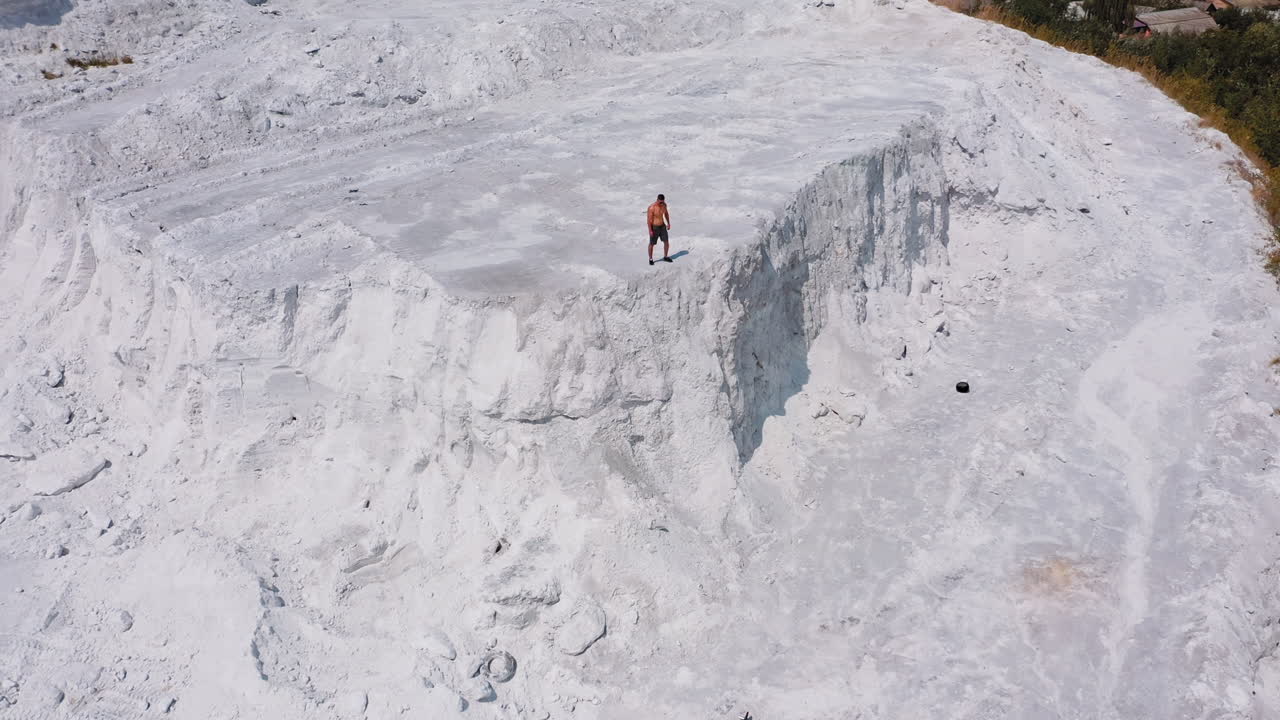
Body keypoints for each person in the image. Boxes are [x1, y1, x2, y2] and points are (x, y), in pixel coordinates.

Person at [646, 193, 672, 265]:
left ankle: (665, 256)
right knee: (652, 244)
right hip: (654, 227)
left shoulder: (664, 205)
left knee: (666, 242)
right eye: (660, 202)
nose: (661, 203)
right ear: (657, 200)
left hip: (662, 226)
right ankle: (650, 259)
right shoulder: (652, 207)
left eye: (662, 202)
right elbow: (649, 220)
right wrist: (650, 230)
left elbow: (666, 214)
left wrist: (668, 223)